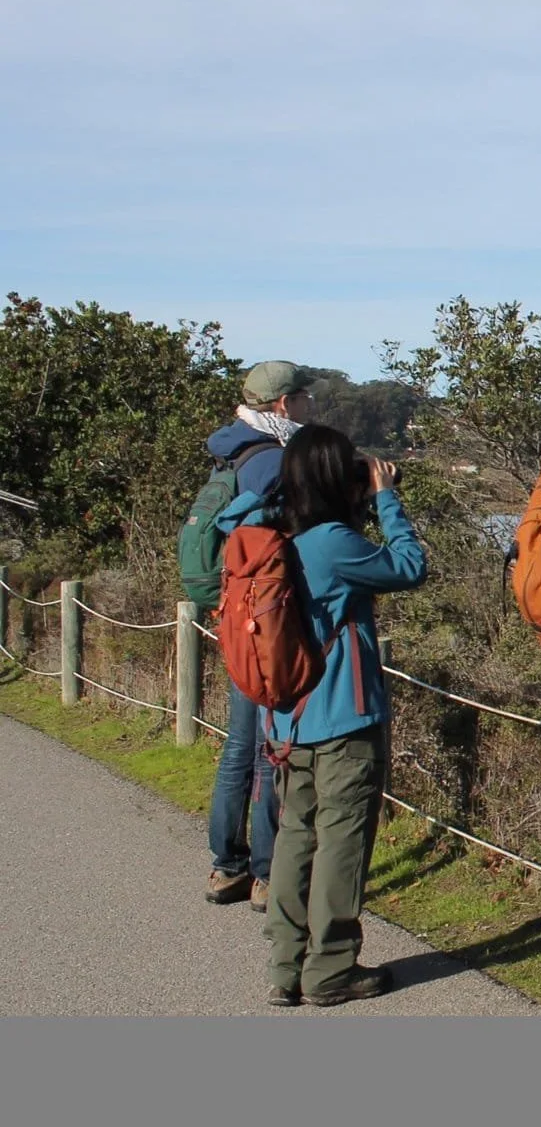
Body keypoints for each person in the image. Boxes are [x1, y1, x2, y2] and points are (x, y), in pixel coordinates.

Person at [221, 425, 428, 1007]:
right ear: (336, 480)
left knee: (295, 836)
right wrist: (386, 498)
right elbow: (411, 567)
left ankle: (286, 966)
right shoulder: (333, 542)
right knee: (341, 841)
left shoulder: (264, 530)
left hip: (286, 718)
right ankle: (332, 967)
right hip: (341, 718)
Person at [202, 360, 315, 912]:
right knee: (270, 752)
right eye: (304, 398)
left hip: (235, 612)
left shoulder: (233, 448)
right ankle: (268, 874)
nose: (311, 406)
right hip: (268, 618)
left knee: (238, 748)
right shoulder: (271, 460)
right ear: (282, 404)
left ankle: (227, 867)